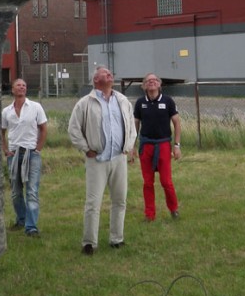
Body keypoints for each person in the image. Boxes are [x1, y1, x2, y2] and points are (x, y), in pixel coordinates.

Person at [67, 66, 136, 254]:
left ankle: (117, 239)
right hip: (97, 160)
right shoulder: (85, 103)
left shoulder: (122, 100)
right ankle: (89, 242)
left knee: (120, 200)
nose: (110, 75)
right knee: (93, 203)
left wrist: (127, 147)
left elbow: (131, 128)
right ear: (96, 80)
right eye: (106, 74)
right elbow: (73, 129)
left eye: (110, 73)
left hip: (118, 159)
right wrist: (86, 148)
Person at [1, 78, 48, 237]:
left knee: (32, 190)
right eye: (18, 85)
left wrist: (38, 149)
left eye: (24, 85)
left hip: (31, 153)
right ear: (12, 90)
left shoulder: (35, 107)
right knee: (15, 191)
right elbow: (2, 132)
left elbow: (43, 128)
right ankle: (21, 219)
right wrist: (5, 149)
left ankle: (31, 227)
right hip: (14, 154)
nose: (21, 87)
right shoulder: (7, 111)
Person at [134, 73, 181, 221]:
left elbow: (177, 123)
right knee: (148, 182)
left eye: (154, 80)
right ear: (144, 86)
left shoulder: (168, 101)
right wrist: (132, 145)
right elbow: (135, 124)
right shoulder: (140, 103)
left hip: (163, 145)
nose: (151, 82)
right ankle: (149, 215)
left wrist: (177, 145)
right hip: (146, 146)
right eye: (148, 81)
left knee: (166, 182)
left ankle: (173, 209)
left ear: (159, 84)